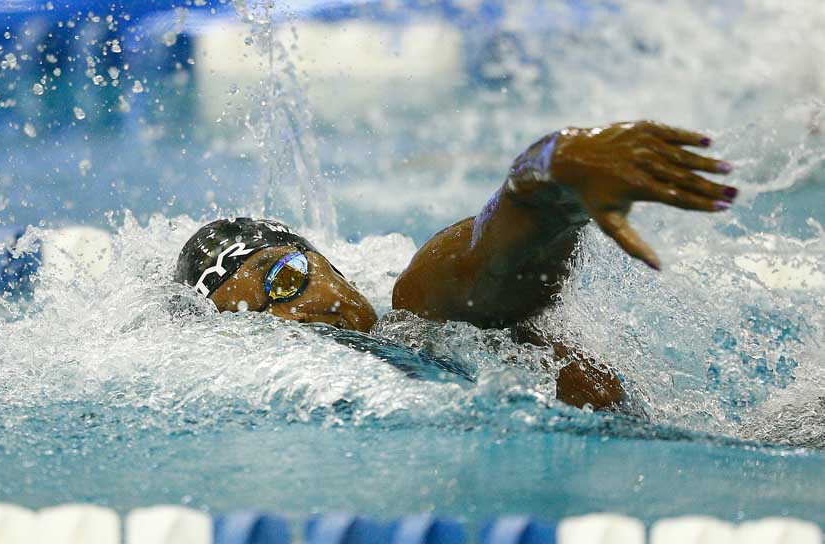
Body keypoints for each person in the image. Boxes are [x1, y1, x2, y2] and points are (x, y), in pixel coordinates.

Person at [174, 121, 737, 412]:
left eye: (286, 279)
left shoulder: (419, 301)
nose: (293, 317)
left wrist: (553, 168)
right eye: (258, 320)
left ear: (328, 263)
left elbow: (490, 258)